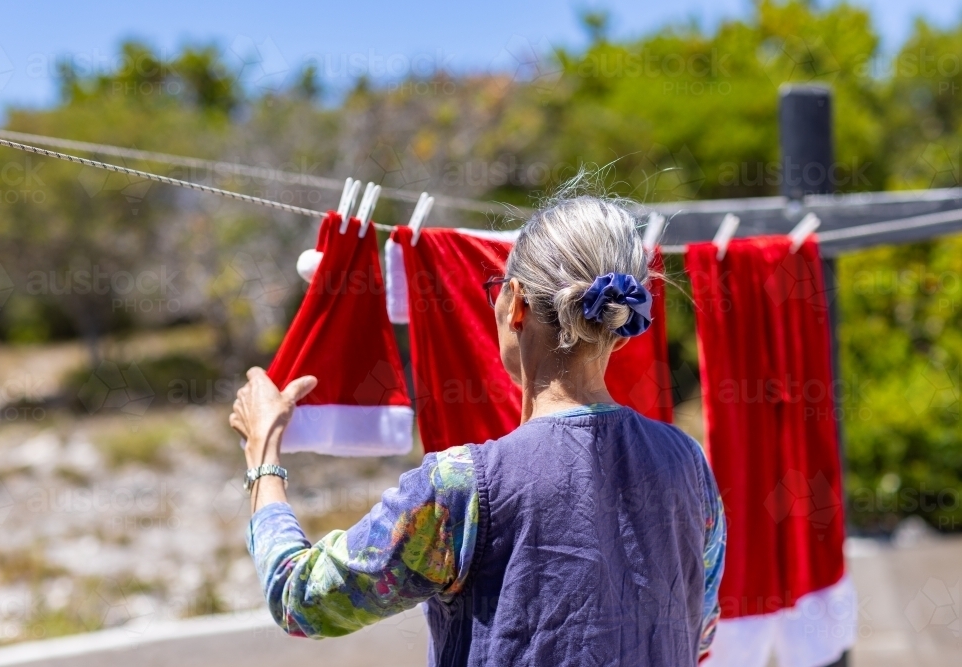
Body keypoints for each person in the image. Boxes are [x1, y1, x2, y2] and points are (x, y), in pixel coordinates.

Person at [230, 184, 726, 667]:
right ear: (619, 329)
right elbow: (699, 630)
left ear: (516, 303)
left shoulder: (463, 488)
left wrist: (263, 454)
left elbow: (300, 599)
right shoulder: (687, 463)